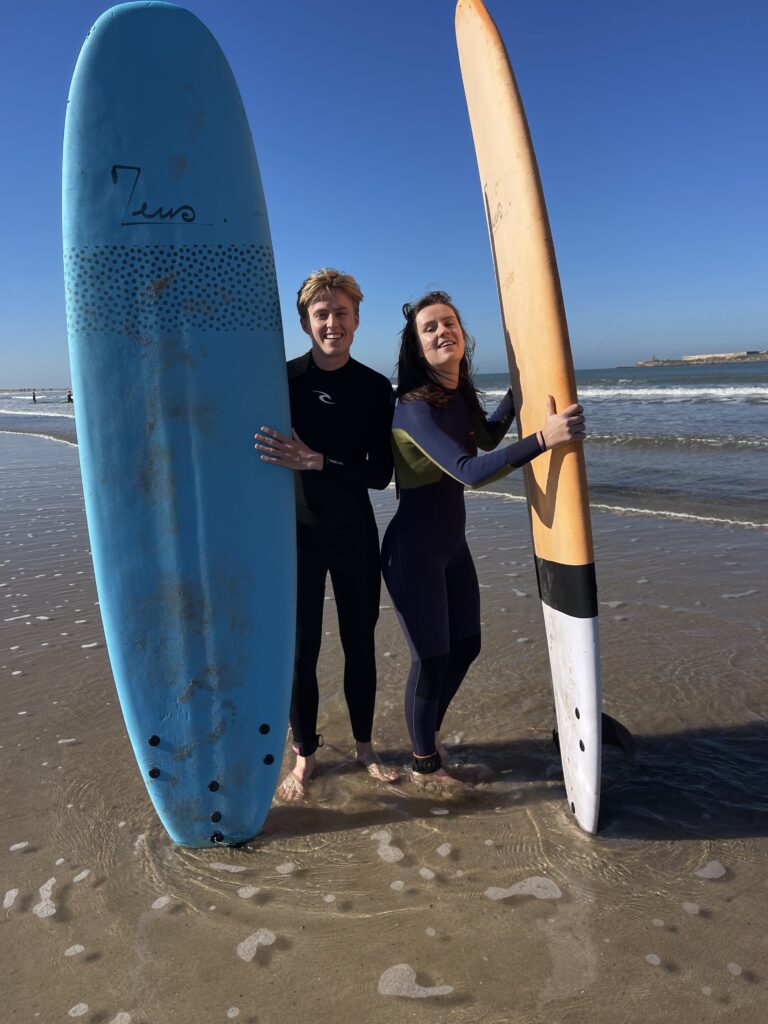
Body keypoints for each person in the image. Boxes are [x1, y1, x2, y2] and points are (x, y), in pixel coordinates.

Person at [381, 291, 586, 789]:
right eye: (429, 328)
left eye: (448, 322)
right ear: (417, 347)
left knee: (466, 646)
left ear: (462, 335)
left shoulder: (458, 395)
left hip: (451, 546)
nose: (441, 331)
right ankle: (425, 761)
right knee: (430, 659)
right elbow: (469, 471)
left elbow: (488, 437)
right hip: (413, 551)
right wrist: (544, 438)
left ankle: (425, 731)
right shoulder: (413, 409)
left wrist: (523, 383)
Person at [255, 269, 399, 799]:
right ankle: (305, 757)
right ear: (305, 322)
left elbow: (380, 473)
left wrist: (318, 461)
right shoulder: (281, 382)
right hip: (297, 535)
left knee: (360, 643)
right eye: (322, 314)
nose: (332, 322)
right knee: (301, 651)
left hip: (354, 533)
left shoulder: (373, 388)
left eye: (341, 312)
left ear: (357, 319)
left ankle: (364, 747)